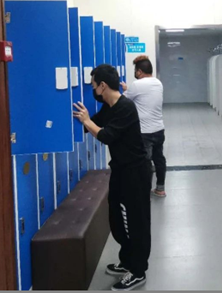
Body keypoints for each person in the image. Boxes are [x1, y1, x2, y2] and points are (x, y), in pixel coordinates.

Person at [73, 64, 150, 292]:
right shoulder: (109, 106)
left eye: (93, 85)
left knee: (136, 222)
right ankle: (127, 260)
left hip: (135, 173)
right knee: (117, 218)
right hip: (120, 170)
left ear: (103, 86)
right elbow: (94, 123)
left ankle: (138, 270)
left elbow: (106, 135)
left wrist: (87, 121)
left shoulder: (126, 107)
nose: (93, 89)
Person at [120, 55, 167, 197]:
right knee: (159, 159)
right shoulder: (158, 83)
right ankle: (160, 189)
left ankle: (144, 191)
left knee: (145, 163)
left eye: (136, 70)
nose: (135, 73)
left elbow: (123, 101)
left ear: (139, 71)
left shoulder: (137, 85)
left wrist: (125, 90)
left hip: (144, 132)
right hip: (159, 129)